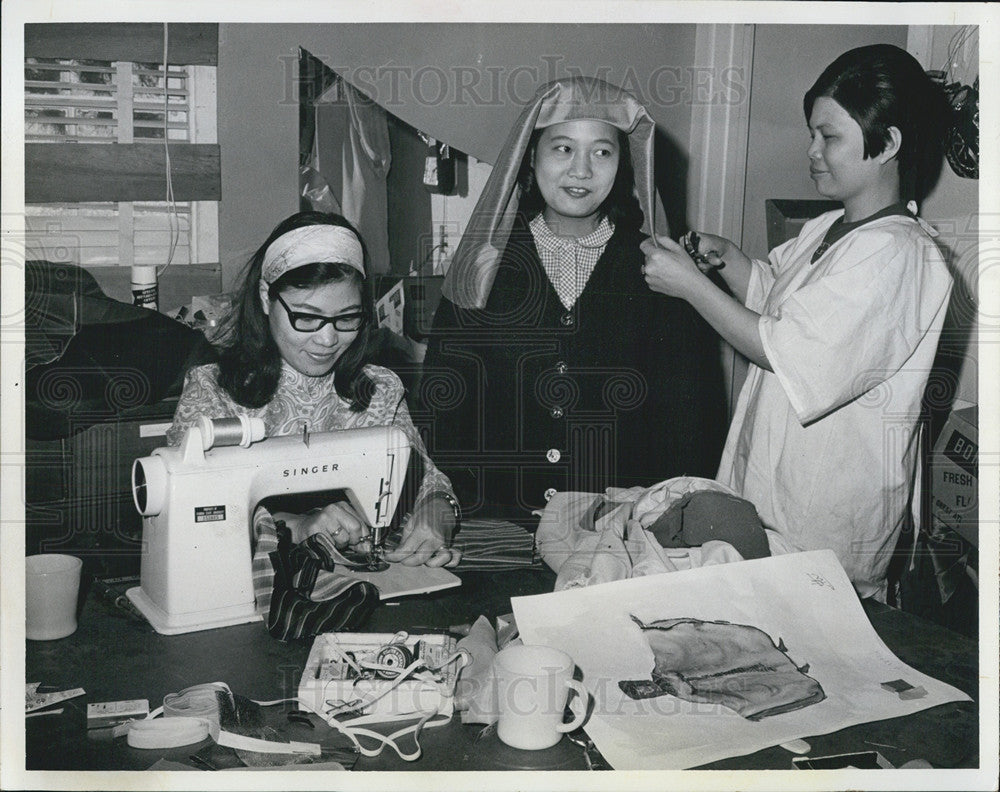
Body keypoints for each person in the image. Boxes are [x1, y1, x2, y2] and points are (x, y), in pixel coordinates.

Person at [641, 44, 952, 601]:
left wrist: (689, 285)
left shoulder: (898, 254)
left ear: (889, 143)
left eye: (829, 137)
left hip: (823, 530)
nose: (812, 152)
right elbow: (776, 300)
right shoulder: (830, 228)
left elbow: (778, 346)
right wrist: (729, 260)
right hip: (771, 504)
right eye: (813, 134)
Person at [422, 77, 727, 524]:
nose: (581, 170)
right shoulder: (482, 265)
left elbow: (691, 426)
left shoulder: (666, 275)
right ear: (529, 156)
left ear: (625, 164)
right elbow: (443, 413)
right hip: (496, 529)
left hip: (618, 536)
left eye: (602, 152)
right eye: (562, 148)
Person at [168, 211, 461, 616]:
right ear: (266, 297)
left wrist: (437, 513)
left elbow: (427, 480)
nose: (327, 339)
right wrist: (298, 525)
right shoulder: (213, 392)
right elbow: (193, 522)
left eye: (347, 319)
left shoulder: (380, 388)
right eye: (306, 317)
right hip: (239, 606)